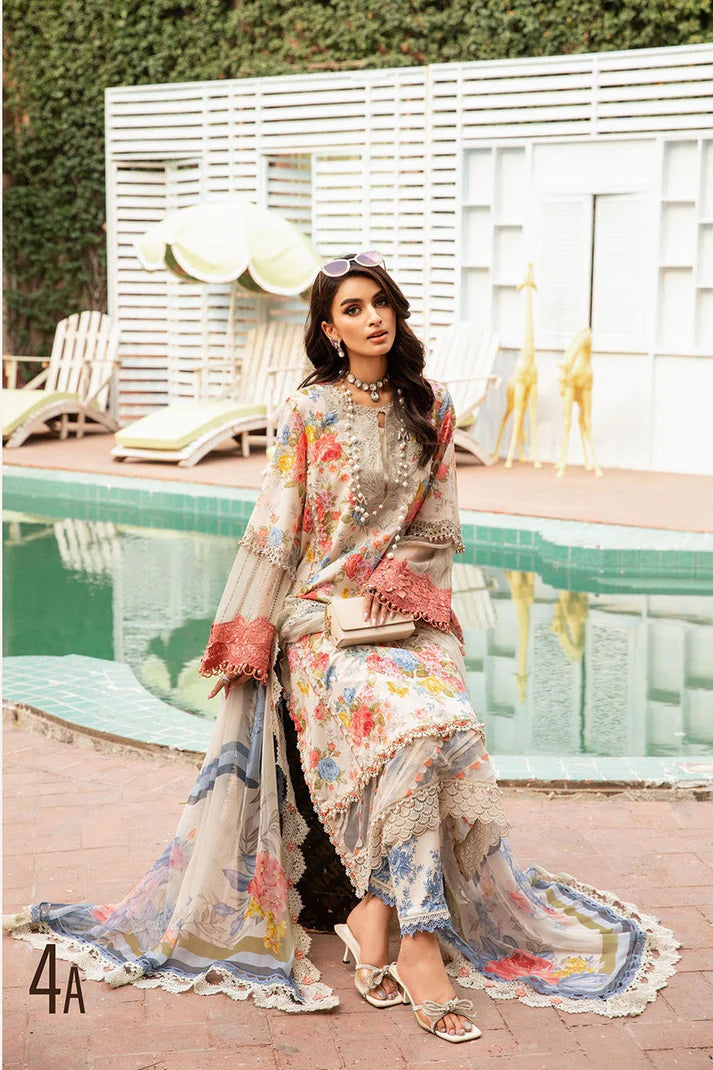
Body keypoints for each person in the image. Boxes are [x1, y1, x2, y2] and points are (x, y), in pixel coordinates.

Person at [4, 252, 679, 1041]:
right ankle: (415, 944)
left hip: (406, 617)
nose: (373, 318)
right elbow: (274, 530)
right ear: (328, 329)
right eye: (353, 309)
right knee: (415, 728)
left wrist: (393, 592)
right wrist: (252, 634)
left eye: (381, 303)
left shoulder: (432, 402)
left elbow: (436, 529)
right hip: (320, 624)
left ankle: (377, 916)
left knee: (441, 726)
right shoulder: (307, 412)